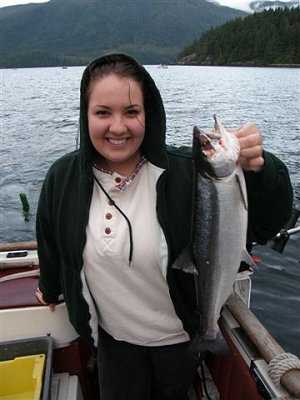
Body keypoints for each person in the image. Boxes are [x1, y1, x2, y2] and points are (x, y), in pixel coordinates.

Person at [35, 53, 293, 400]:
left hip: (179, 339)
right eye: (102, 112)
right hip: (111, 340)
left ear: (149, 113)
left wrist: (262, 171)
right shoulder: (62, 178)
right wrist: (50, 289)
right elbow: (51, 243)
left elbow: (264, 224)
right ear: (86, 116)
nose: (117, 127)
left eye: (131, 112)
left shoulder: (191, 173)